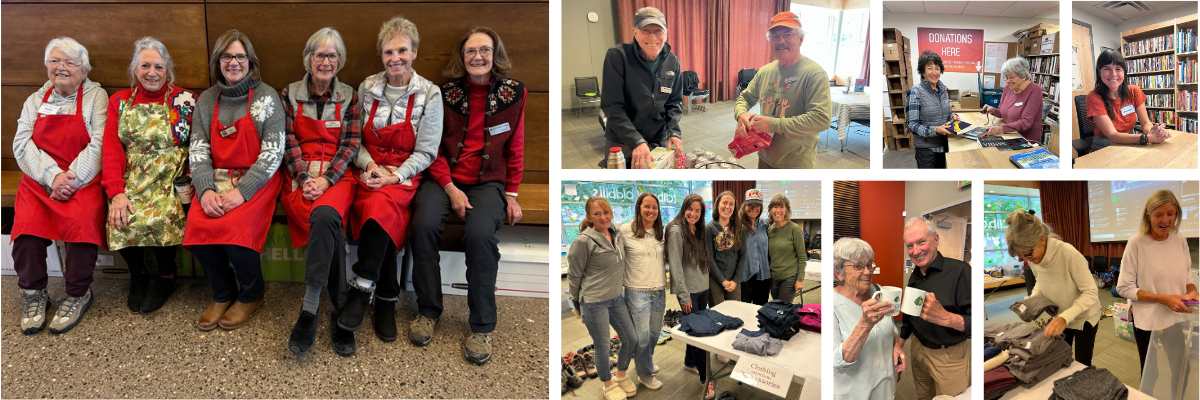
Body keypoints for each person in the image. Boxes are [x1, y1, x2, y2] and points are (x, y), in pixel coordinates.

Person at [408, 26, 525, 366]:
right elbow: (431, 147)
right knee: (423, 226)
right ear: (462, 57)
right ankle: (429, 310)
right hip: (443, 178)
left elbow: (515, 146)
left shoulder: (514, 93)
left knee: (478, 236)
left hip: (489, 183)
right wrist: (450, 188)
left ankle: (482, 324)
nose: (477, 57)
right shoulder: (442, 94)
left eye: (484, 50)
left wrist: (512, 193)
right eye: (471, 51)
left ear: (495, 54)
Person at [340, 15, 444, 356]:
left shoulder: (430, 93)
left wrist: (395, 175)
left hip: (404, 175)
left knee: (383, 205)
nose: (395, 58)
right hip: (368, 170)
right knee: (377, 205)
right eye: (388, 52)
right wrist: (369, 165)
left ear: (414, 52)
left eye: (402, 50)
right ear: (381, 55)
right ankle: (386, 298)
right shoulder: (366, 88)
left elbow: (427, 151)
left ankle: (362, 286)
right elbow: (354, 139)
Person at [185, 29, 285, 332]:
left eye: (240, 56)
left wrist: (242, 192)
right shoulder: (206, 100)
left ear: (250, 61)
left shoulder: (267, 97)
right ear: (218, 61)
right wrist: (205, 191)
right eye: (227, 56)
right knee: (198, 223)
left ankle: (252, 294)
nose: (234, 62)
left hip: (258, 178)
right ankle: (223, 292)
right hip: (216, 179)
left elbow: (273, 152)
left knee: (236, 228)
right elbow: (198, 149)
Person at [13, 37, 108, 335]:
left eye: (70, 62)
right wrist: (52, 176)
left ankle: (78, 294)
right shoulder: (34, 100)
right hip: (40, 182)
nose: (61, 68)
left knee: (81, 229)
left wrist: (70, 180)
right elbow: (21, 144)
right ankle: (34, 293)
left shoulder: (96, 97)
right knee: (26, 233)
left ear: (85, 68)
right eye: (55, 61)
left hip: (81, 181)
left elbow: (99, 145)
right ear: (46, 66)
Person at [279, 27, 361, 356]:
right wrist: (303, 177)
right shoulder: (288, 94)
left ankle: (310, 308)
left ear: (339, 61)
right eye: (320, 54)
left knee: (327, 215)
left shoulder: (350, 96)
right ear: (309, 58)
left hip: (337, 177)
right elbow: (288, 142)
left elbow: (351, 144)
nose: (326, 61)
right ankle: (340, 310)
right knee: (328, 226)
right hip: (299, 178)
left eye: (332, 55)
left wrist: (326, 180)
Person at [102, 37, 195, 315]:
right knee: (120, 216)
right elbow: (111, 148)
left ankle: (166, 276)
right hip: (132, 175)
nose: (151, 72)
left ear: (168, 70)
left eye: (158, 67)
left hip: (171, 176)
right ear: (135, 69)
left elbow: (197, 145)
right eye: (145, 65)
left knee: (164, 215)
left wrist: (188, 181)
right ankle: (138, 274)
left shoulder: (185, 100)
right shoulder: (119, 101)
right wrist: (116, 190)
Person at [734, 11, 832, 169]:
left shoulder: (814, 74)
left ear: (800, 39)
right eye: (775, 36)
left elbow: (821, 119)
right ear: (770, 41)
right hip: (764, 155)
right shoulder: (765, 71)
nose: (781, 41)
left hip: (796, 162)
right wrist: (741, 114)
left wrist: (773, 124)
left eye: (788, 34)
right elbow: (745, 97)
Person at [1116, 189, 1198, 372]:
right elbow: (1123, 288)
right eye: (1159, 215)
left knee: (1182, 369)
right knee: (1150, 372)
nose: (1165, 220)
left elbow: (1187, 278)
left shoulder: (1180, 241)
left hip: (1174, 317)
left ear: (1177, 214)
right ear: (1149, 216)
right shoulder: (1136, 243)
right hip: (1146, 320)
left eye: (1170, 214)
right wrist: (1164, 299)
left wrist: (1192, 291)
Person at [1005, 210, 1100, 366]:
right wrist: (1033, 299)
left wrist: (1065, 317)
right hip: (1059, 317)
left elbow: (1090, 292)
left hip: (1084, 317)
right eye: (1021, 256)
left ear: (1041, 239)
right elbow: (1041, 282)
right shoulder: (1034, 258)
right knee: (1061, 358)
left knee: (1082, 364)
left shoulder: (1069, 254)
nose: (1027, 260)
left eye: (1028, 254)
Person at [567, 197, 639, 400]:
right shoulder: (583, 242)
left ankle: (620, 376)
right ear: (589, 217)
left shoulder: (616, 233)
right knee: (603, 346)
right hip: (593, 301)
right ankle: (607, 385)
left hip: (616, 298)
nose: (603, 217)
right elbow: (574, 276)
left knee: (630, 339)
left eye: (606, 212)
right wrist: (576, 305)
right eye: (597, 213)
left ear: (612, 213)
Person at [600, 6, 683, 169]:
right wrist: (636, 141)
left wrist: (674, 131)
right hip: (622, 140)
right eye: (646, 30)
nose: (652, 37)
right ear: (635, 32)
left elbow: (674, 103)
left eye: (658, 31)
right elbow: (612, 107)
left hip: (658, 138)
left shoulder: (673, 61)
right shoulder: (617, 56)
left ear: (666, 33)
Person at [897, 218, 971, 400]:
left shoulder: (961, 271)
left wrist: (945, 317)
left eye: (922, 242)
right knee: (923, 396)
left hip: (949, 356)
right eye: (910, 246)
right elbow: (908, 316)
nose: (916, 251)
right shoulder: (915, 274)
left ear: (936, 239)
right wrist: (899, 345)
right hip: (917, 349)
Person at [832, 238, 905, 400]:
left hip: (885, 385)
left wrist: (896, 345)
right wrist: (864, 324)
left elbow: (890, 327)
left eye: (869, 264)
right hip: (853, 393)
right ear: (838, 272)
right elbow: (836, 363)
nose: (868, 271)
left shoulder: (877, 291)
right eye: (858, 266)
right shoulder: (831, 304)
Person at [666, 194, 717, 399]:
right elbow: (675, 266)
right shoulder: (676, 230)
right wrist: (684, 296)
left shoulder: (697, 229)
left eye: (698, 210)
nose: (693, 214)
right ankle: (706, 378)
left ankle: (689, 361)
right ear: (684, 208)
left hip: (701, 288)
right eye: (690, 209)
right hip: (688, 292)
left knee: (694, 329)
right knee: (699, 334)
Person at [619, 192, 665, 390]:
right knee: (642, 336)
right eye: (647, 206)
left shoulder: (660, 231)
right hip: (637, 291)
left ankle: (644, 362)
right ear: (638, 207)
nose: (651, 210)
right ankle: (644, 373)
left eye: (654, 207)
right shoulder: (625, 230)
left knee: (654, 334)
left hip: (659, 289)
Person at [1086, 49, 1169, 153]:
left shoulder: (1134, 91)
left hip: (1131, 140)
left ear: (1124, 72)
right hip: (1104, 145)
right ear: (1099, 72)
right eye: (1107, 69)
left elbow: (1145, 122)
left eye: (1118, 69)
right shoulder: (1094, 97)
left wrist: (1152, 132)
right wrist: (1147, 138)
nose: (1113, 74)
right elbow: (1112, 135)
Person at [905, 50, 959, 169]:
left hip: (944, 144)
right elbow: (912, 125)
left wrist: (952, 116)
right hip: (927, 150)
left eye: (937, 68)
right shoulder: (915, 92)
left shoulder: (943, 90)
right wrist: (935, 130)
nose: (934, 72)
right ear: (923, 72)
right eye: (930, 68)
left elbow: (945, 114)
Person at [980, 57, 1044, 142]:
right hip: (1009, 135)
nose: (1007, 81)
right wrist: (993, 110)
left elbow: (1026, 122)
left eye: (1011, 77)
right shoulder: (1007, 88)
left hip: (1026, 140)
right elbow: (1003, 113)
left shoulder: (1035, 90)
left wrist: (1001, 129)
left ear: (1024, 76)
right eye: (1006, 78)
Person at [706, 191, 744, 306]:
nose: (727, 207)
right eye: (725, 203)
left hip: (734, 279)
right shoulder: (709, 228)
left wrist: (735, 280)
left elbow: (743, 256)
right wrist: (722, 280)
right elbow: (709, 258)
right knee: (718, 313)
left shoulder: (740, 228)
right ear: (718, 205)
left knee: (734, 311)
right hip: (715, 279)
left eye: (731, 204)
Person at [767, 194, 805, 303]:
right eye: (775, 207)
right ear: (770, 210)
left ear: (786, 210)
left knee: (783, 307)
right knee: (775, 305)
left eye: (781, 207)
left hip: (789, 277)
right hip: (774, 277)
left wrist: (800, 279)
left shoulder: (794, 229)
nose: (778, 210)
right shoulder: (770, 230)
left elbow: (802, 256)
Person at [738, 189, 772, 305]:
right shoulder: (737, 225)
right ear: (744, 205)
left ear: (761, 207)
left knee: (761, 310)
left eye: (757, 205)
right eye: (750, 205)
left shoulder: (765, 224)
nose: (753, 208)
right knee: (744, 310)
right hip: (745, 275)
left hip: (764, 275)